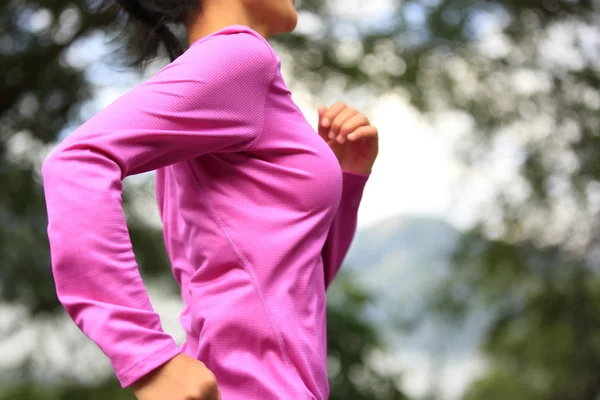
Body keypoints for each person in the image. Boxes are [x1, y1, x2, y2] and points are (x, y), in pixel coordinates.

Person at [40, 0, 379, 398]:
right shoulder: (239, 57)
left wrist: (349, 175)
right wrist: (146, 358)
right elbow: (76, 164)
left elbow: (295, 287)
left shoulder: (222, 83)